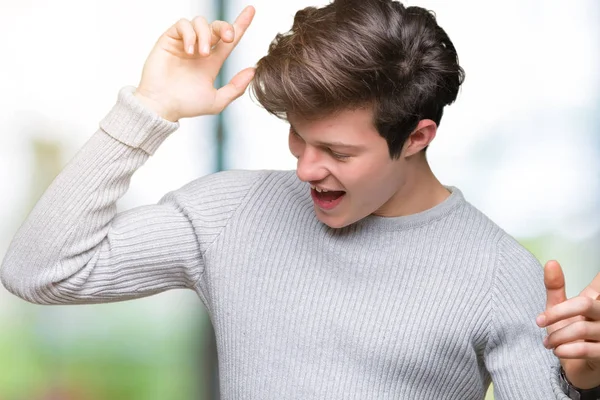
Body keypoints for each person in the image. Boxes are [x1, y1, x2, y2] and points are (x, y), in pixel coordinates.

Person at [1, 0, 599, 398]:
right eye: (297, 136)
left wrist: (587, 385)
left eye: (337, 152)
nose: (306, 168)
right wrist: (149, 111)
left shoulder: (498, 272)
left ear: (417, 137)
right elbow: (39, 272)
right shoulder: (228, 214)